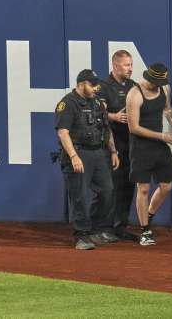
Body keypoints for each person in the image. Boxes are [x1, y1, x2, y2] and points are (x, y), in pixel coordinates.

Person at [55, 69, 119, 250]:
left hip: (98, 153)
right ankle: (81, 235)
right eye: (92, 84)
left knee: (107, 190)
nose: (96, 87)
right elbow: (63, 132)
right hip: (78, 152)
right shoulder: (68, 103)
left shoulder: (98, 102)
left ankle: (97, 229)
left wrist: (113, 151)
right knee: (80, 195)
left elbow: (106, 129)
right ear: (82, 83)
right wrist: (73, 156)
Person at [125, 62, 172, 246]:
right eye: (154, 81)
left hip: (159, 145)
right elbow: (133, 128)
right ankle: (145, 230)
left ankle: (148, 216)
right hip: (141, 147)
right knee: (143, 189)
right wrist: (163, 136)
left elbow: (166, 109)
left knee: (166, 187)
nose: (157, 84)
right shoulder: (135, 94)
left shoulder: (164, 87)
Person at [99, 50, 140, 241]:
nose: (130, 68)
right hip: (110, 145)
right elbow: (95, 113)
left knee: (127, 186)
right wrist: (114, 116)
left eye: (131, 64)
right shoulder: (103, 87)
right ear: (115, 65)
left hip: (130, 145)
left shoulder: (134, 86)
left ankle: (121, 226)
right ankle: (105, 227)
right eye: (126, 65)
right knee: (111, 187)